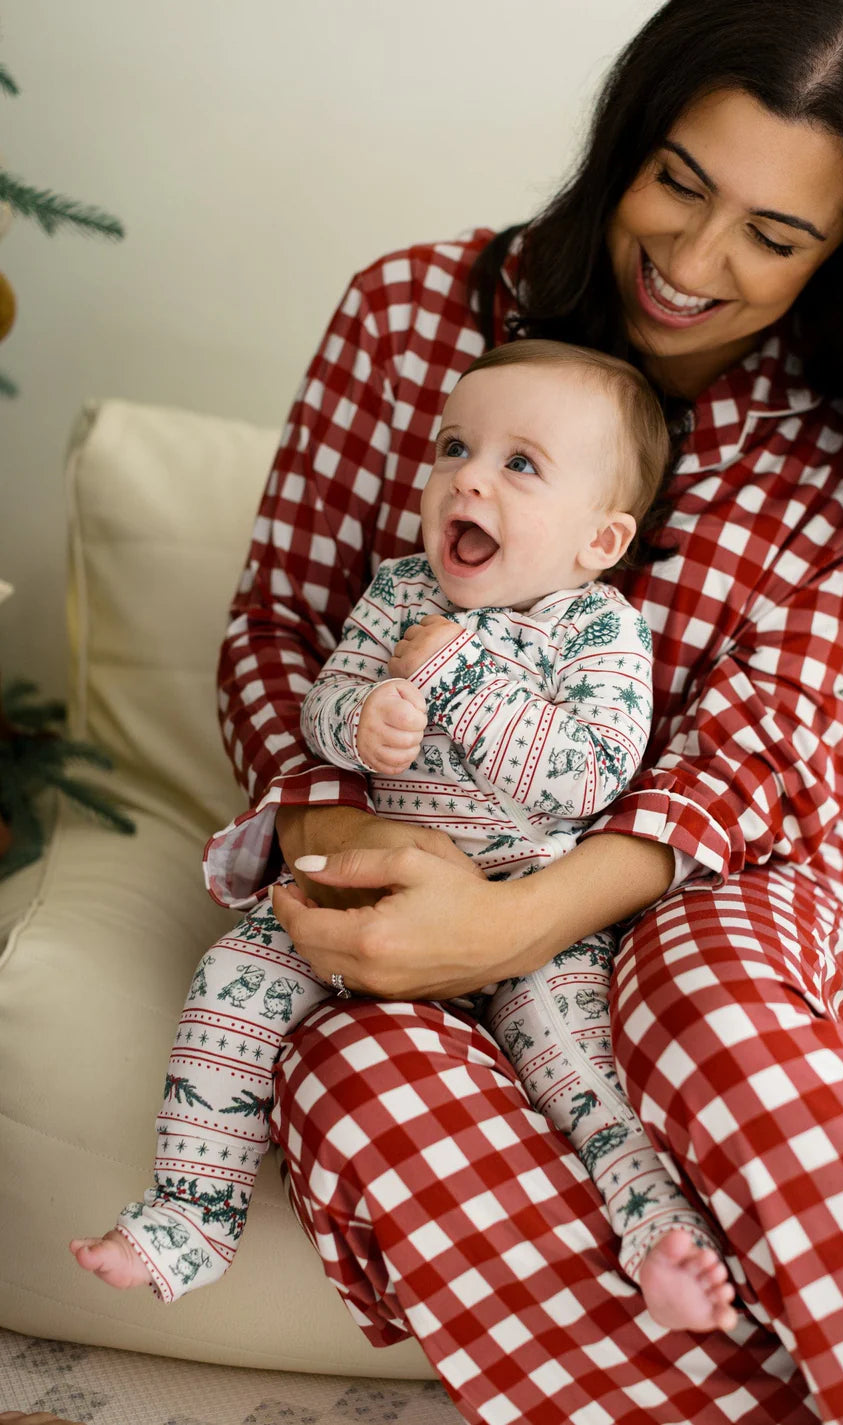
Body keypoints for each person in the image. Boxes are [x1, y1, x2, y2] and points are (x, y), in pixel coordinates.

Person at [87, 0, 843, 1418]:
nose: (690, 258)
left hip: (715, 871)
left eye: (772, 237)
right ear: (627, 136)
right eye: (678, 180)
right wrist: (347, 837)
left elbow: (758, 762)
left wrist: (513, 919)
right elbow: (280, 626)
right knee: (358, 1068)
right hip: (402, 835)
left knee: (703, 1000)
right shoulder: (408, 312)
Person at [69, 340, 739, 1334]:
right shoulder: (396, 595)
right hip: (366, 891)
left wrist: (461, 684)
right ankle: (190, 1216)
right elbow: (324, 711)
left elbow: (585, 776)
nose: (466, 475)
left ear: (600, 540)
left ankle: (651, 1228)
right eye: (452, 448)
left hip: (527, 918)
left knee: (582, 1069)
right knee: (229, 987)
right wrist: (365, 717)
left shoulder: (600, 629)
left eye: (519, 464)